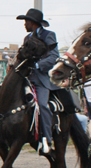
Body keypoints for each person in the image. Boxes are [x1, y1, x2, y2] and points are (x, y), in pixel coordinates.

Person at [16, 8, 59, 154]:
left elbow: (54, 57)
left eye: (26, 21)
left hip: (41, 79)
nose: (24, 24)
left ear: (32, 23)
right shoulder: (27, 38)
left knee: (42, 105)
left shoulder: (49, 35)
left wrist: (38, 65)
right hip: (25, 77)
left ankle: (47, 138)